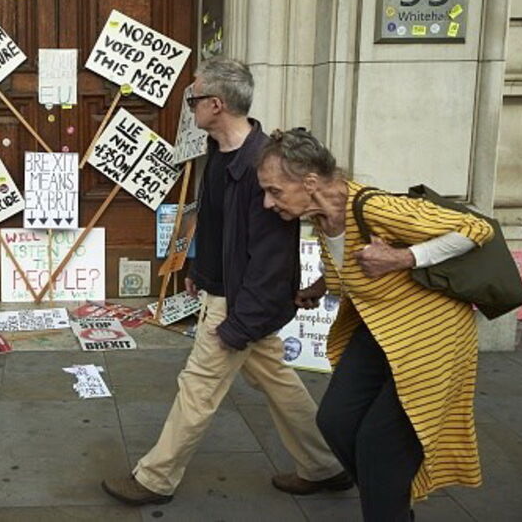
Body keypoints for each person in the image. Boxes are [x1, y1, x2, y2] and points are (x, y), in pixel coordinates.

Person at [101, 57, 350, 506]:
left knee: (197, 386)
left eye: (193, 99)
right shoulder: (219, 152)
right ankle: (326, 464)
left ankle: (155, 478)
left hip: (241, 302)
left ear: (215, 105)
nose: (189, 106)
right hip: (226, 288)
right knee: (277, 379)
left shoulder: (266, 169)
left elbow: (270, 264)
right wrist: (201, 273)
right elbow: (214, 225)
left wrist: (238, 324)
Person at [256, 128, 493, 522]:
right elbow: (353, 266)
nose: (267, 202)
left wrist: (405, 258)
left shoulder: (373, 206)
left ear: (310, 182)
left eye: (275, 191)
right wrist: (318, 286)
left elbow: (477, 229)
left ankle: (389, 506)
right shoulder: (321, 219)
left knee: (380, 445)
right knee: (335, 421)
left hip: (429, 336)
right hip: (380, 331)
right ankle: (390, 499)